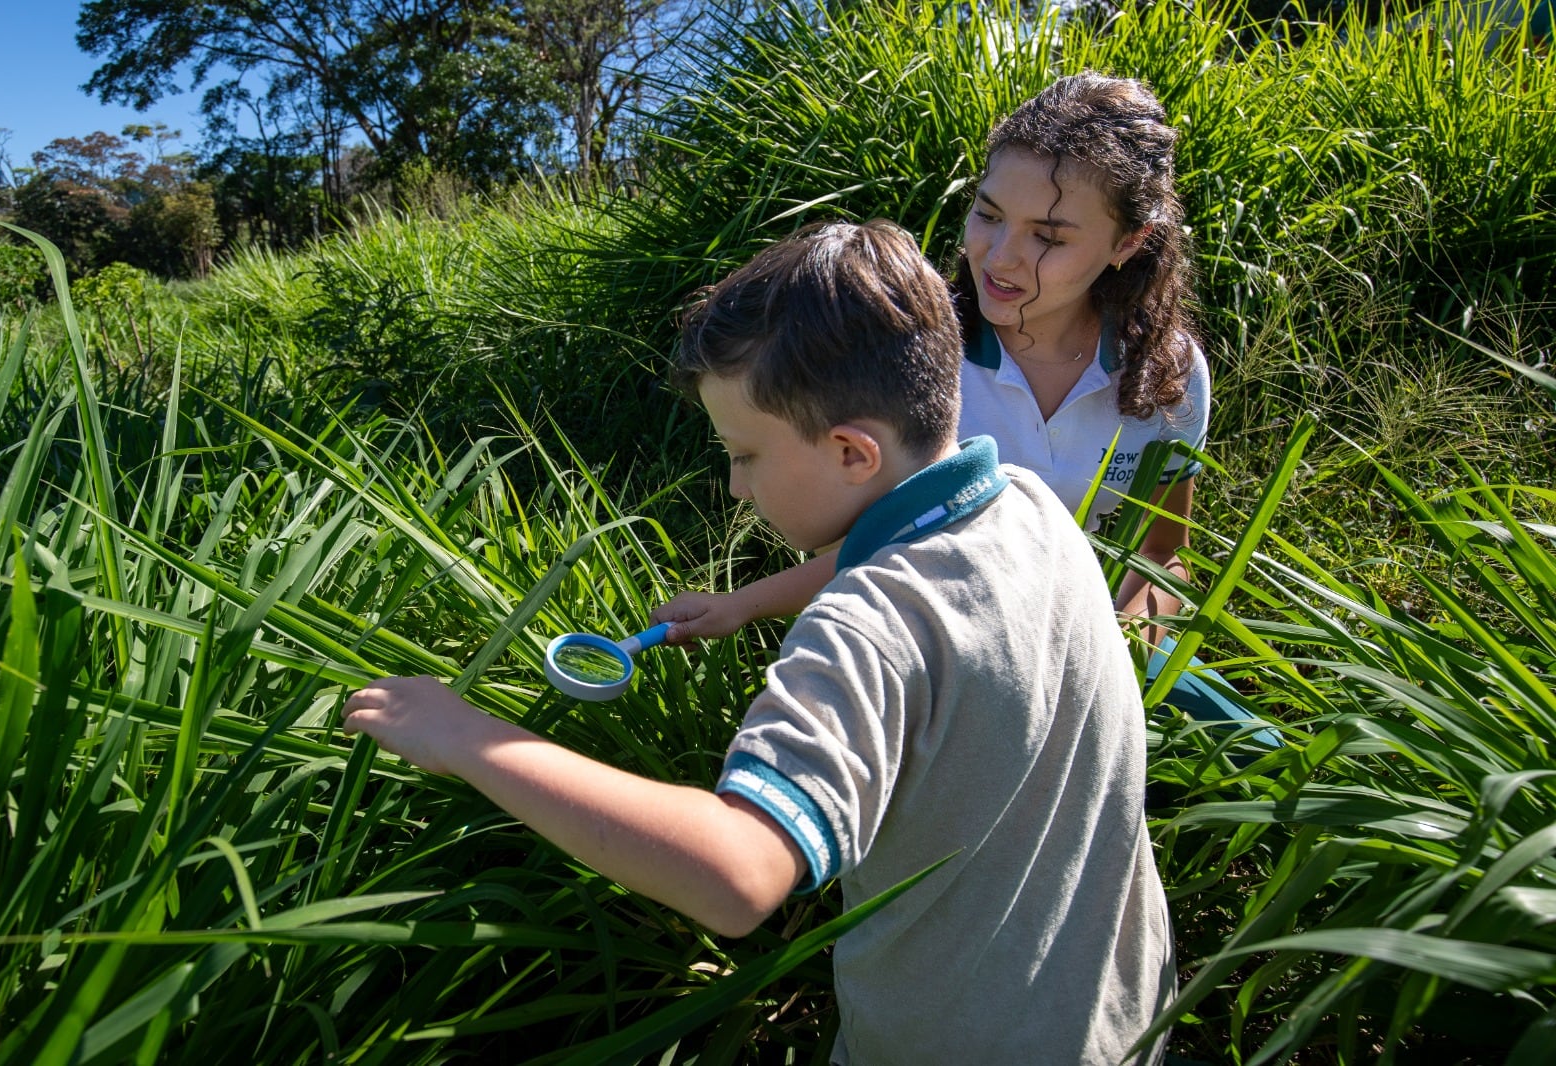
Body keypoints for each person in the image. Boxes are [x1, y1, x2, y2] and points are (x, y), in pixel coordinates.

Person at [343, 219, 1175, 1063]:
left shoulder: (864, 630)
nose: (737, 487)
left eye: (744, 454)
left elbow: (738, 875)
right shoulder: (1029, 504)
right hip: (1127, 1013)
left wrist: (470, 739)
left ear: (852, 452)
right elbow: (909, 552)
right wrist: (742, 605)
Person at [653, 72, 1278, 750]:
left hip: (1103, 644)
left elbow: (1163, 553)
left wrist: (1116, 655)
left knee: (1274, 763)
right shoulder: (921, 354)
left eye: (1049, 236)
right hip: (949, 640)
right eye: (988, 214)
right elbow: (890, 544)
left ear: (1129, 242)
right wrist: (739, 607)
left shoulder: (1168, 372)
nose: (1000, 258)